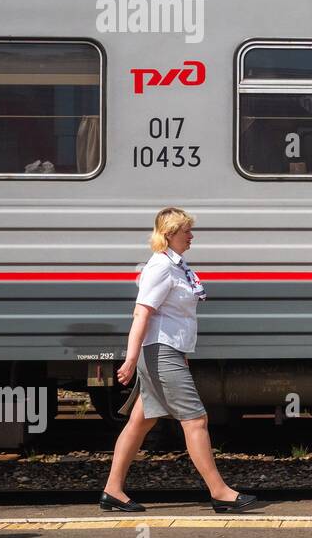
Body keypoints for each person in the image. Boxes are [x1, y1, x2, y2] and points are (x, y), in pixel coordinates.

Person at [99, 207, 259, 513]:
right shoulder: (160, 267)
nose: (192, 236)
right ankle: (220, 492)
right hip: (159, 352)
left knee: (140, 422)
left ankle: (112, 490)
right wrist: (131, 358)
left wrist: (180, 354)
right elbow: (142, 312)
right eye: (187, 231)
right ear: (170, 234)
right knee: (196, 420)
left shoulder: (178, 266)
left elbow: (172, 318)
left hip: (167, 351)